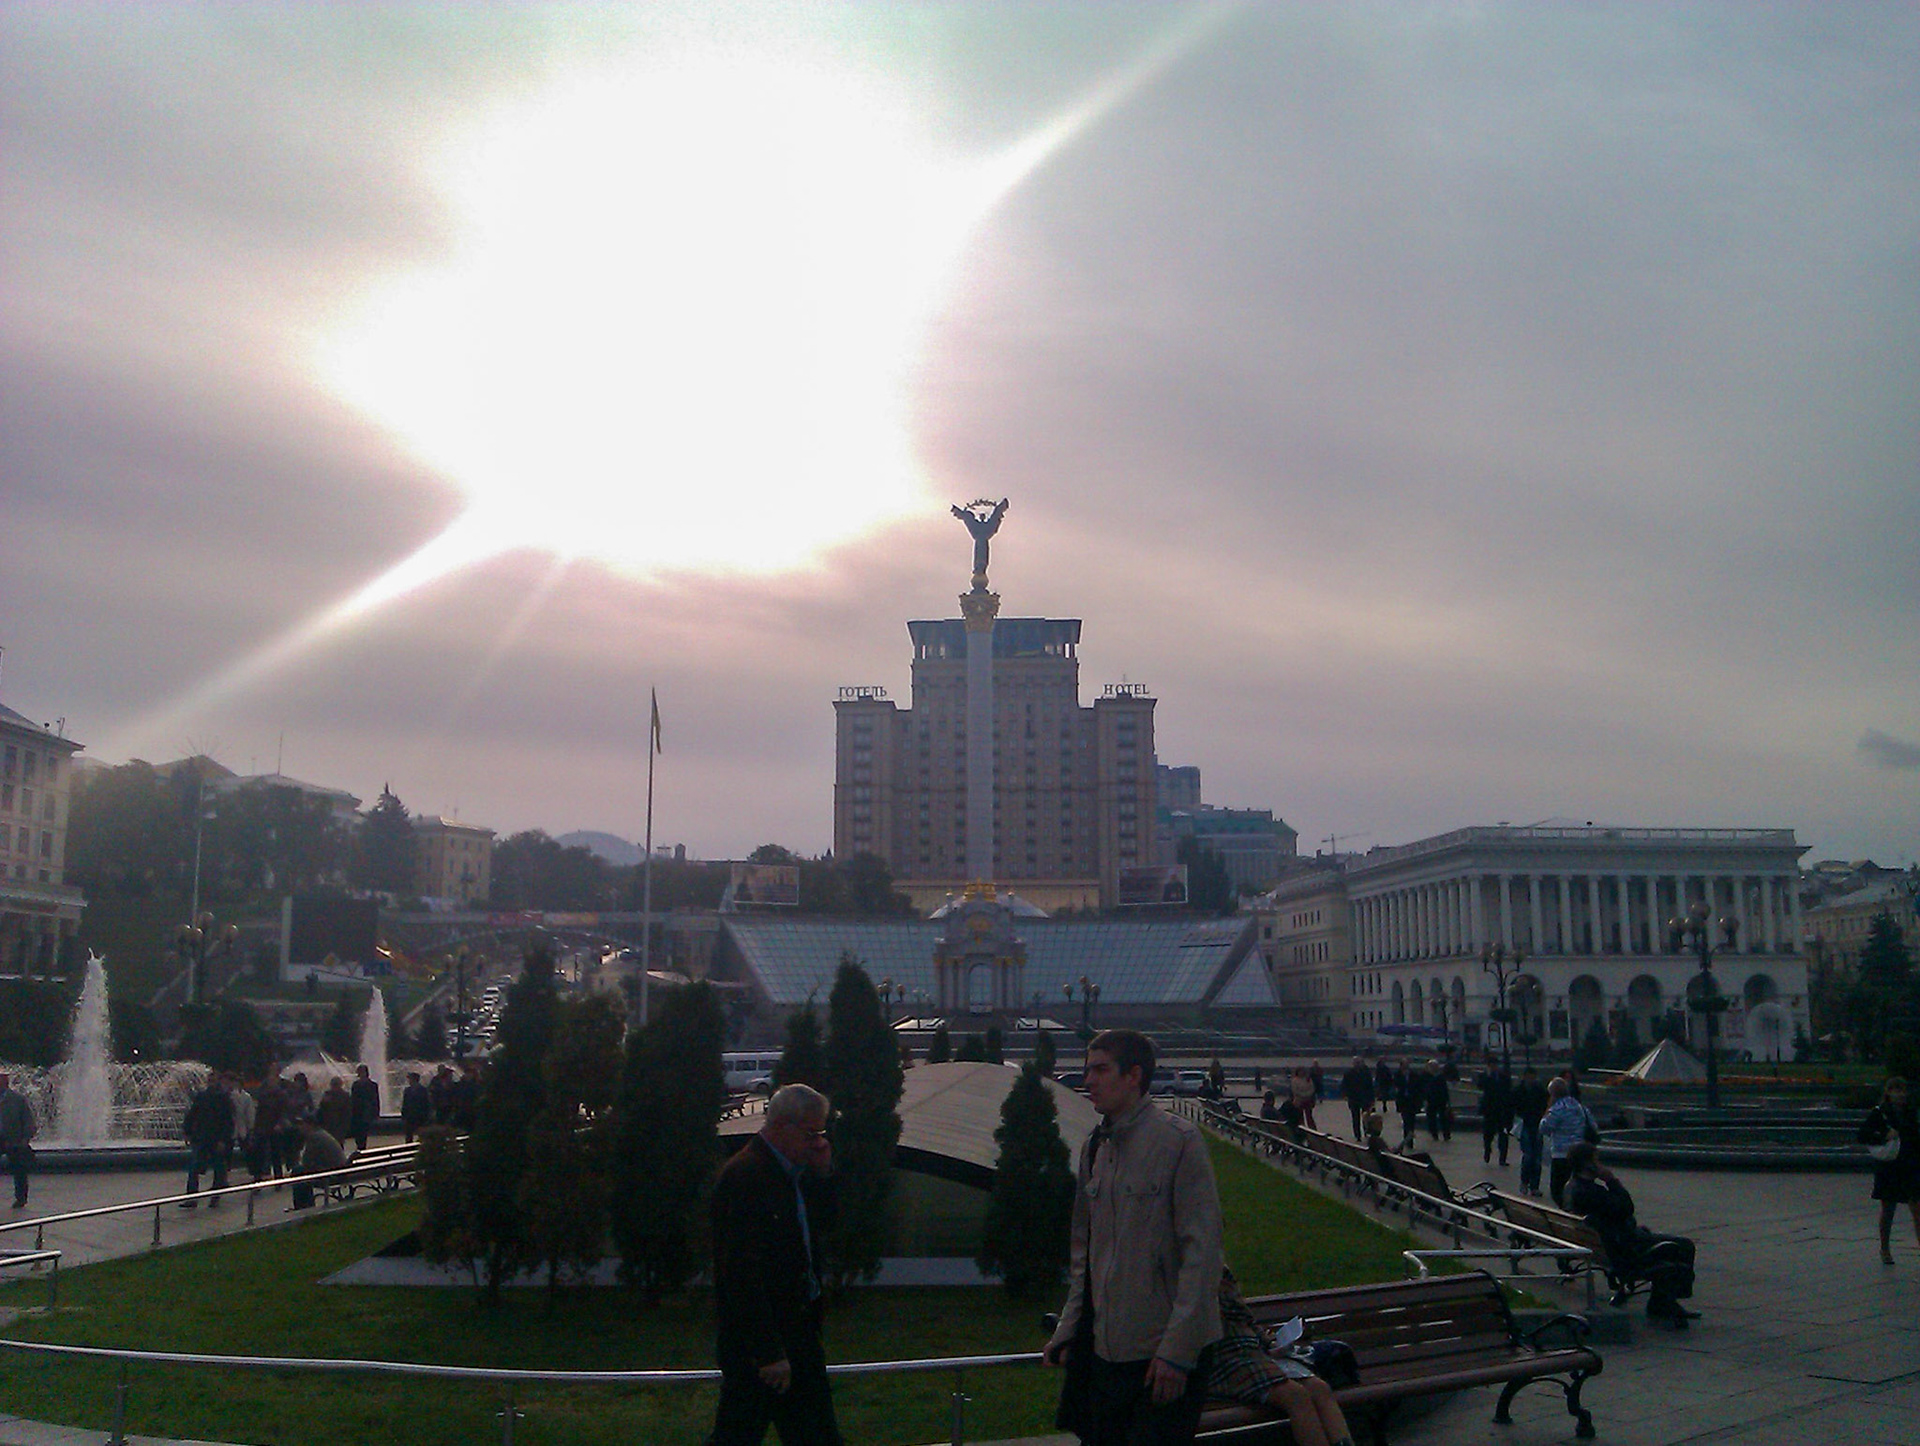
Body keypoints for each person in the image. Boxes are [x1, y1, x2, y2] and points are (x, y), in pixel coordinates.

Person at [1047, 1028, 1223, 1446]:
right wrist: (1069, 1328)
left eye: (1100, 1069)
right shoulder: (1095, 1148)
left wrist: (1177, 1353)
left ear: (1134, 1076)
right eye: (1087, 1069)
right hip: (1108, 1352)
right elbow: (1084, 1255)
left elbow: (1202, 1254)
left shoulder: (1178, 1141)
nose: (1087, 1080)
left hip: (1161, 1356)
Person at [708, 1082, 840, 1446]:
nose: (818, 1141)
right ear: (783, 1126)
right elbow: (740, 1273)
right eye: (812, 1132)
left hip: (796, 1334)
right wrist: (768, 1351)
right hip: (762, 1348)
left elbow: (827, 1226)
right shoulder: (746, 1177)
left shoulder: (794, 1174)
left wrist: (824, 1170)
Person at [1203, 1267, 1354, 1446]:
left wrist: (1270, 1343)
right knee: (1296, 1396)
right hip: (1222, 1359)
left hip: (1251, 1353)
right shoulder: (1188, 1271)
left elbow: (1245, 1318)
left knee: (1319, 1388)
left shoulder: (1216, 1267)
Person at [1565, 1142, 1698, 1327]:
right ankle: (1664, 1302)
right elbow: (1627, 1208)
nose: (1601, 1164)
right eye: (1597, 1160)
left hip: (1610, 1245)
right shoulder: (1591, 1192)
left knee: (1669, 1243)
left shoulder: (1572, 1187)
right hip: (1625, 1250)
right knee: (1683, 1246)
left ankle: (1664, 1301)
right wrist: (1611, 1180)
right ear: (1588, 1164)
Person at [1858, 1076, 1919, 1265]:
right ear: (1888, 1092)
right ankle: (1885, 1248)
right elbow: (1863, 1135)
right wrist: (1884, 1135)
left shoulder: (1912, 1112)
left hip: (1911, 1165)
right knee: (1888, 1210)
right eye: (1896, 1090)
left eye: (1902, 1090)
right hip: (1890, 1167)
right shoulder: (1880, 1113)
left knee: (1917, 1208)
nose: (1900, 1094)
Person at [1540, 1077, 1598, 1207]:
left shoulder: (1557, 1109)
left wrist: (1547, 1109)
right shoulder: (1580, 1107)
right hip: (1580, 1153)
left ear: (1553, 1094)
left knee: (1558, 1189)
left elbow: (1544, 1128)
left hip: (1561, 1154)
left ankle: (1566, 1211)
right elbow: (1594, 1126)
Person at [181, 1073, 235, 1207]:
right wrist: (187, 1131)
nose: (211, 1083)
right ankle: (193, 1197)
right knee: (195, 1168)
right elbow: (193, 1114)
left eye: (214, 1081)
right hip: (202, 1137)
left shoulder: (223, 1098)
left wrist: (223, 1140)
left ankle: (213, 1196)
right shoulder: (203, 1096)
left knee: (217, 1168)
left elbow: (228, 1121)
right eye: (210, 1080)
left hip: (214, 1138)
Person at [290, 1118, 348, 1210]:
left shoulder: (314, 1137)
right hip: (340, 1171)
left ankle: (303, 1206)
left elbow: (306, 1162)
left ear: (310, 1125)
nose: (299, 1128)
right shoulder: (322, 1134)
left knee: (298, 1171)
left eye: (302, 1124)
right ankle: (305, 1205)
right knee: (301, 1171)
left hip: (333, 1175)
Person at [0, 1071, 37, 1209]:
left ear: (5, 1083)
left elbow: (28, 1120)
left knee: (19, 1170)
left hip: (14, 1139)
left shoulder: (18, 1099)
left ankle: (21, 1198)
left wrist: (25, 1139)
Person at [1512, 1066, 1549, 1198]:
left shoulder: (1540, 1090)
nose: (1531, 1078)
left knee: (1537, 1158)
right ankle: (1524, 1182)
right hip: (1525, 1124)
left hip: (1537, 1125)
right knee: (1528, 1156)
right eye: (1529, 1076)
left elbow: (1545, 1103)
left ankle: (1534, 1186)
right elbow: (1513, 1106)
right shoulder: (1518, 1090)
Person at [1476, 1057, 1513, 1167]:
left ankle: (1503, 1158)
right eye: (1491, 1065)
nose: (1494, 1067)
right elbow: (1480, 1086)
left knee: (1503, 1135)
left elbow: (1508, 1092)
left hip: (1501, 1110)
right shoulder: (1484, 1076)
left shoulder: (1504, 1077)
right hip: (1489, 1110)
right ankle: (1487, 1150)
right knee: (1488, 1134)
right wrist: (1487, 1075)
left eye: (1495, 1065)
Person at [1340, 1058, 1374, 1141]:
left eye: (1359, 1063)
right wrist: (1345, 1094)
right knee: (1355, 1118)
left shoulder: (1366, 1073)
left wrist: (1372, 1098)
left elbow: (1370, 1086)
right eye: (1356, 1063)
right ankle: (1357, 1135)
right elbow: (1344, 1085)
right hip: (1354, 1098)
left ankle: (1366, 1132)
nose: (1358, 1064)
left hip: (1364, 1098)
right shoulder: (1348, 1073)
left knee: (1366, 1117)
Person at [349, 1064, 380, 1153]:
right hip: (360, 1113)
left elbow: (375, 1099)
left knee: (362, 1133)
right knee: (360, 1133)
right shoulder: (358, 1085)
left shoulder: (369, 1085)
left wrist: (375, 1112)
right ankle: (361, 1147)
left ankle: (361, 1148)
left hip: (364, 1113)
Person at [1394, 1066, 1422, 1152]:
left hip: (1412, 1102)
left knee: (1411, 1122)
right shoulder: (1398, 1076)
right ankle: (1407, 1139)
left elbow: (1418, 1089)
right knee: (1406, 1121)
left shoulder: (1414, 1076)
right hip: (1403, 1103)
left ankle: (1410, 1140)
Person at [400, 1071, 432, 1144]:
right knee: (408, 1136)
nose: (409, 1081)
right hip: (410, 1117)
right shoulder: (407, 1090)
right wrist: (403, 1114)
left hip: (419, 1116)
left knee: (421, 1135)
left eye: (410, 1079)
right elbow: (405, 1103)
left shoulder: (423, 1090)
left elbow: (426, 1103)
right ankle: (408, 1149)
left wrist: (426, 1115)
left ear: (415, 1079)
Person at [1423, 1061, 1450, 1143]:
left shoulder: (1439, 1077)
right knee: (1432, 1118)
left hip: (1439, 1100)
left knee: (1442, 1118)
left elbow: (1445, 1090)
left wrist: (1447, 1101)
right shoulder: (1427, 1077)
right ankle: (1435, 1134)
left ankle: (1445, 1134)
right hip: (1432, 1100)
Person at [1289, 1067, 1318, 1132]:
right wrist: (1302, 1095)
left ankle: (1312, 1129)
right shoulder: (1294, 1081)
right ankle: (1302, 1128)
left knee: (1309, 1115)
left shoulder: (1308, 1079)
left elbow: (1312, 1088)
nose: (1301, 1073)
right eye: (1300, 1071)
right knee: (1300, 1115)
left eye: (1302, 1071)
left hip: (1308, 1099)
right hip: (1299, 1100)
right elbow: (1295, 1090)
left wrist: (1308, 1095)